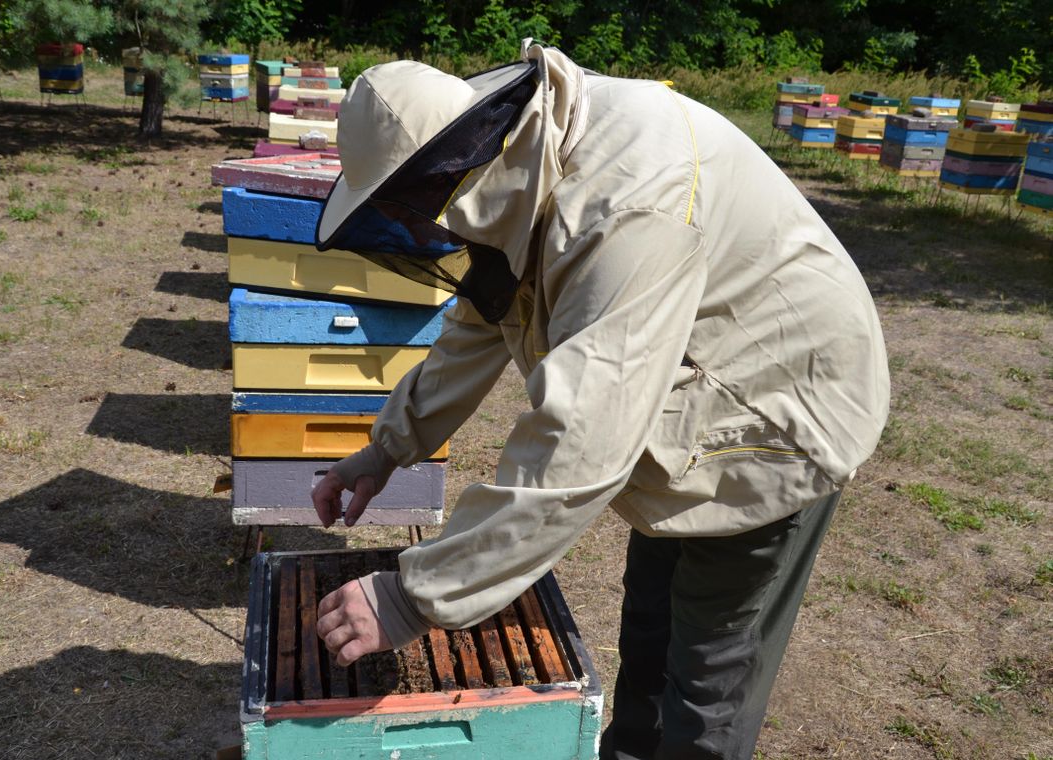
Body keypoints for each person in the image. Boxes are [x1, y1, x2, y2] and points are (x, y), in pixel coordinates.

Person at [310, 40, 889, 760]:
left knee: (707, 678)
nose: (410, 225)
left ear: (448, 165)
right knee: (648, 634)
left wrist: (412, 596)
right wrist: (386, 448)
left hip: (774, 415)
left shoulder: (628, 196)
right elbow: (483, 320)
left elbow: (582, 436)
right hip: (684, 402)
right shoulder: (527, 159)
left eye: (408, 202)